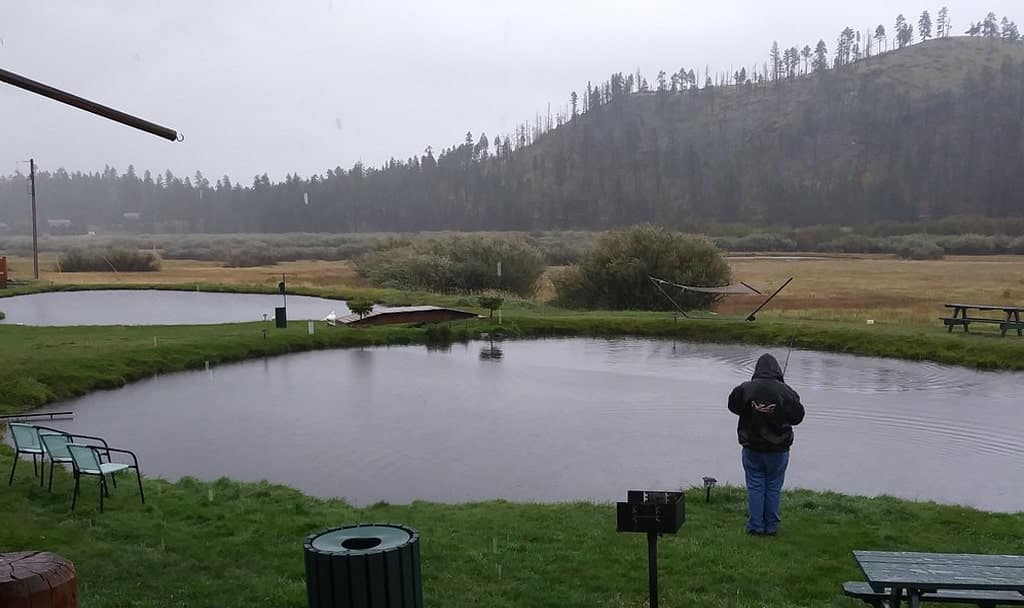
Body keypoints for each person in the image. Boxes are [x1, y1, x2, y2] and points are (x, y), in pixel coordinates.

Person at [728, 353, 805, 536]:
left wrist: (754, 408)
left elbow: (733, 406)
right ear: (777, 370)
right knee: (773, 487)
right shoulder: (786, 391)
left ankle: (755, 526)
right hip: (779, 450)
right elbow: (797, 417)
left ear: (757, 370)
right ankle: (771, 527)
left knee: (755, 485)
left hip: (752, 448)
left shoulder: (745, 389)